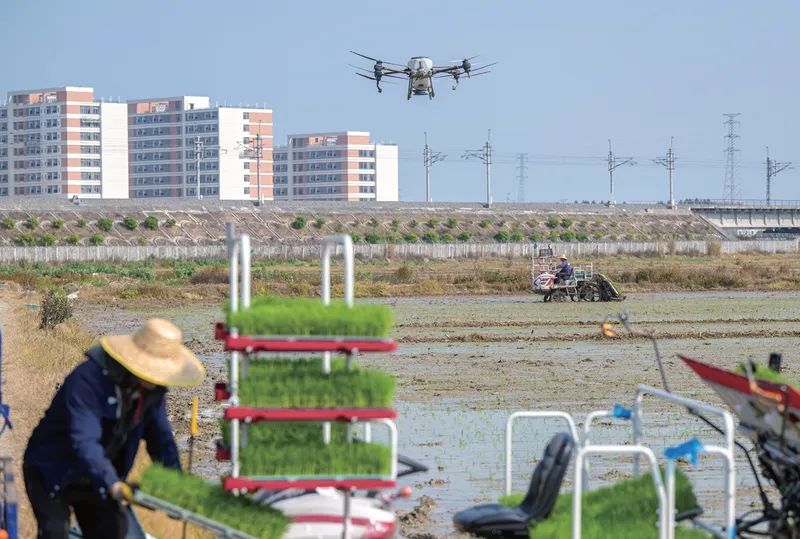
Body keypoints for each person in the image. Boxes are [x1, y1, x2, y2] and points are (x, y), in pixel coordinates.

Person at [23, 318, 205, 539]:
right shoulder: (88, 380)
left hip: (96, 480)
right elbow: (84, 442)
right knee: (54, 533)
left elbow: (162, 441)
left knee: (114, 532)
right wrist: (113, 484)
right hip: (53, 470)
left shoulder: (152, 392)